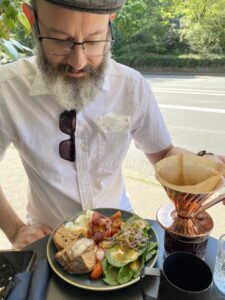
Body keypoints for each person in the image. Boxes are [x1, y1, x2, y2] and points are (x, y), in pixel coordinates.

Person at [0, 0, 224, 250]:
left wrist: (212, 168)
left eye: (95, 40)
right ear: (31, 19)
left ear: (111, 21)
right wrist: (15, 229)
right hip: (50, 239)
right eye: (60, 40)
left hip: (120, 233)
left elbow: (163, 154)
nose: (77, 61)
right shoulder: (7, 88)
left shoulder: (131, 86)